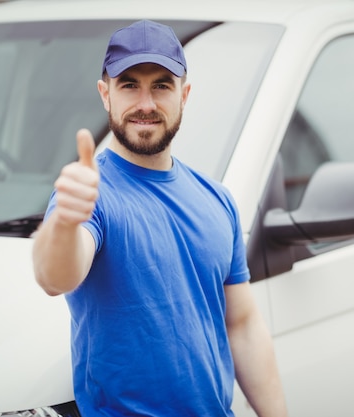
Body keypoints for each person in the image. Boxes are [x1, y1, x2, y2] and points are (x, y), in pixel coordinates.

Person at [32, 20, 288, 417]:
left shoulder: (217, 199)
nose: (146, 104)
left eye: (162, 85)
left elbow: (242, 323)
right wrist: (64, 223)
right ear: (106, 95)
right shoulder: (93, 196)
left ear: (184, 95)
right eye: (129, 84)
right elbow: (56, 278)